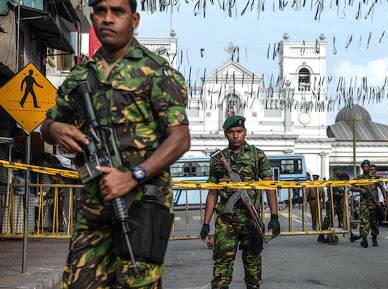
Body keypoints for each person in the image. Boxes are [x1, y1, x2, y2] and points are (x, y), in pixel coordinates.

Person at [40, 0, 191, 287]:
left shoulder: (157, 73)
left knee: (136, 281)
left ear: (134, 19)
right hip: (95, 207)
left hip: (142, 206)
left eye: (117, 12)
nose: (108, 18)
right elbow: (48, 123)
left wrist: (133, 176)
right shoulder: (80, 77)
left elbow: (180, 138)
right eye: (100, 11)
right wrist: (54, 128)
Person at [200, 115, 280, 289]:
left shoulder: (257, 155)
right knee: (221, 270)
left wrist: (274, 216)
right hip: (225, 221)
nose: (235, 135)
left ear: (245, 132)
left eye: (239, 131)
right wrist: (206, 224)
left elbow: (269, 186)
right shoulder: (217, 159)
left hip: (251, 220)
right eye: (231, 132)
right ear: (225, 134)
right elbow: (212, 192)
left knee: (253, 269)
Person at [350, 160, 388, 247]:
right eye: (364, 167)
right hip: (364, 203)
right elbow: (351, 186)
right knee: (364, 221)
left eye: (367, 166)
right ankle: (364, 240)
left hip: (374, 202)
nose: (366, 168)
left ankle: (374, 239)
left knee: (374, 222)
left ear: (369, 167)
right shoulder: (359, 178)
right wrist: (360, 189)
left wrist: (386, 198)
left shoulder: (375, 177)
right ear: (362, 168)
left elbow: (382, 188)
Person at [317, 169, 349, 244]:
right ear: (335, 171)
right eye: (339, 170)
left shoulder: (341, 178)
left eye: (341, 170)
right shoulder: (332, 179)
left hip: (340, 202)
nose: (341, 172)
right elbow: (330, 192)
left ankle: (351, 234)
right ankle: (321, 236)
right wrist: (340, 194)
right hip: (333, 202)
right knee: (329, 219)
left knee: (345, 217)